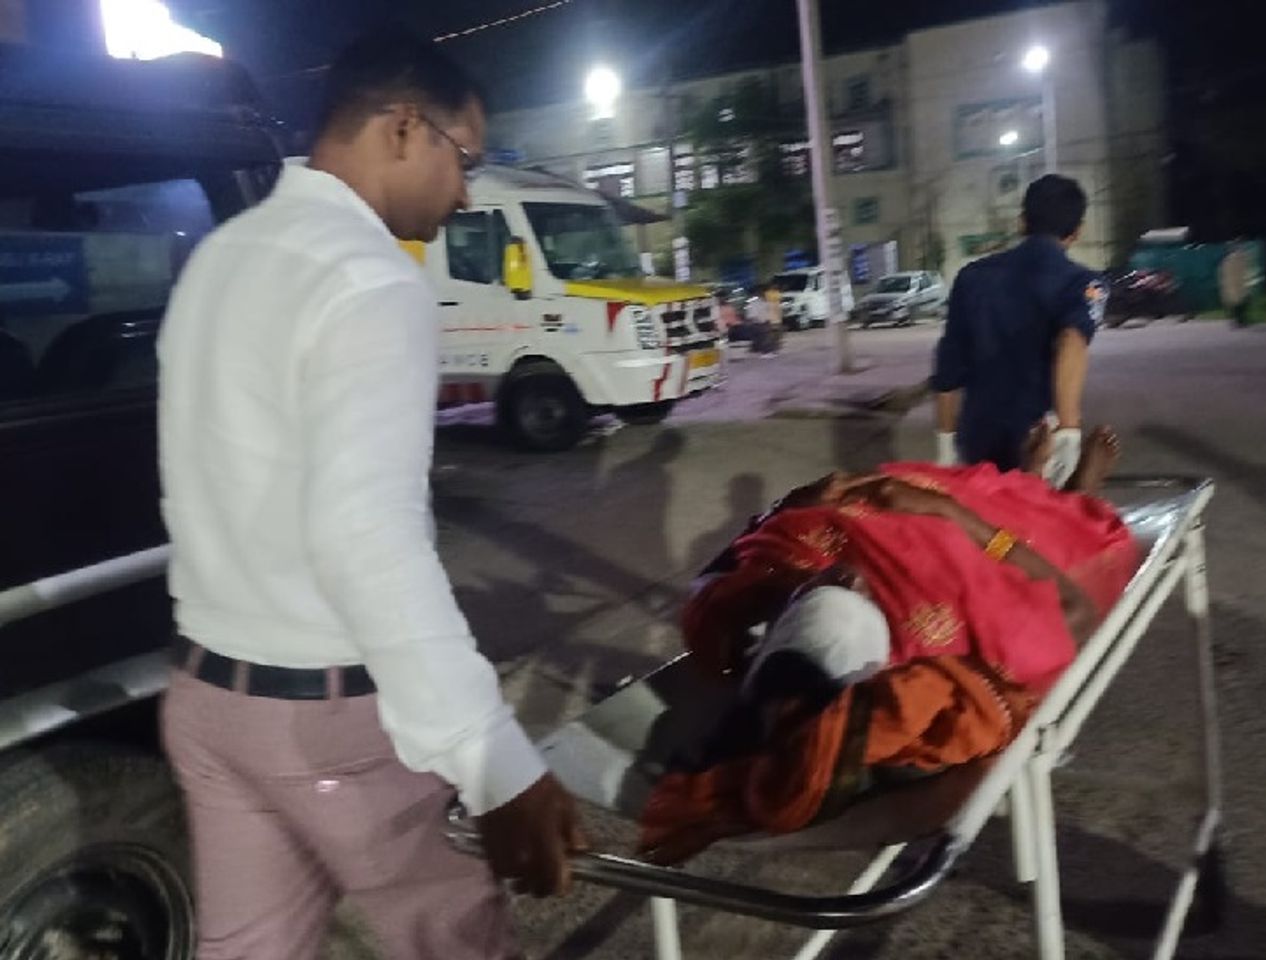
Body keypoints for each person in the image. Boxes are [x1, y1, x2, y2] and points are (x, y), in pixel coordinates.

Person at [157, 31, 583, 959]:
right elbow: (368, 537)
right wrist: (497, 763)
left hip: (207, 698)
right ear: (402, 128)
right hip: (329, 723)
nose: (465, 193)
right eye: (464, 158)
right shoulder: (369, 279)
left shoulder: (220, 257)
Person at [640, 427, 1138, 862]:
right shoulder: (969, 668)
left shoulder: (732, 612)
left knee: (970, 488)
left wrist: (788, 507)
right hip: (979, 532)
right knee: (1051, 528)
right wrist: (955, 516)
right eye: (849, 593)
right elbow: (1073, 604)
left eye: (823, 593)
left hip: (872, 509)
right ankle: (1073, 494)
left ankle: (1030, 481)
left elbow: (716, 577)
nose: (849, 578)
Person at [932, 174, 1108, 487]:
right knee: (1039, 515)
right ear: (1077, 231)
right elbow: (1071, 341)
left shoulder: (971, 277)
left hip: (977, 439)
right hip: (1038, 442)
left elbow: (948, 366)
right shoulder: (1084, 284)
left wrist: (945, 444)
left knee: (983, 514)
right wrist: (1068, 429)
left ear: (1022, 222)